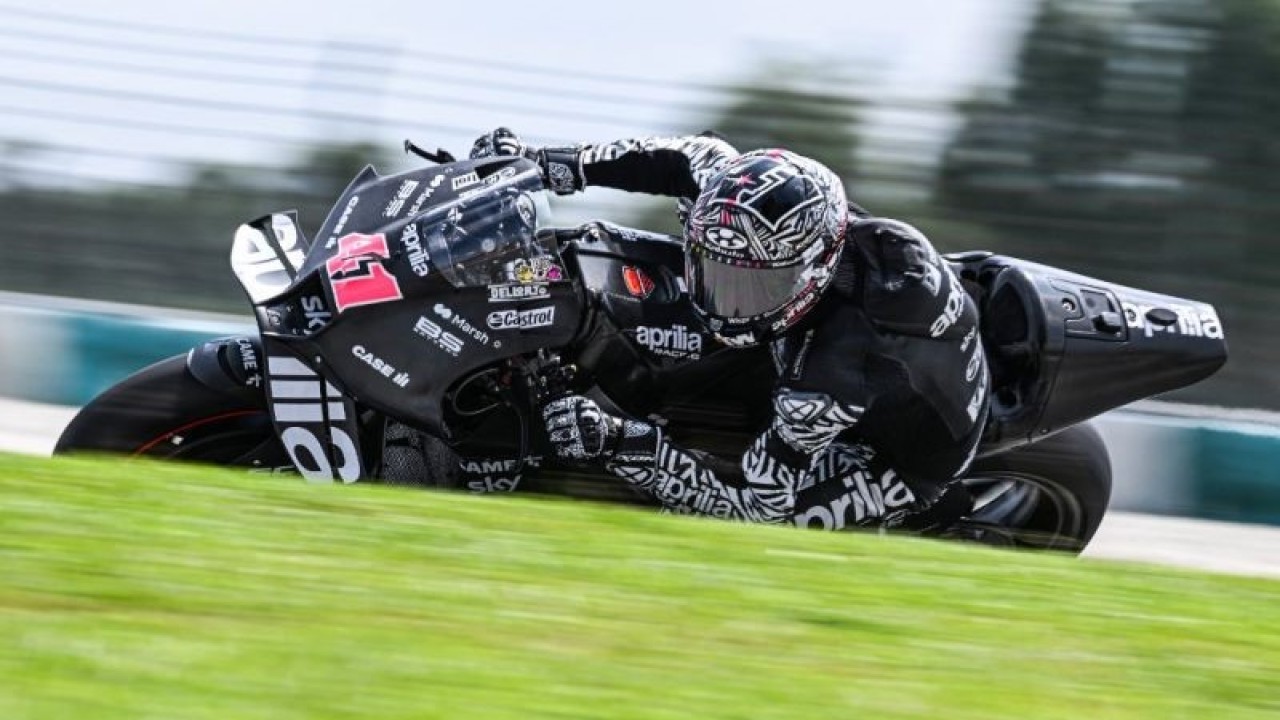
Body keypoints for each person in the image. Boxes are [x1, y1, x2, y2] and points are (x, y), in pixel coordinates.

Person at [470, 128, 989, 530]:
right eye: (717, 273)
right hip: (831, 342)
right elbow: (686, 154)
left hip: (905, 457)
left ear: (813, 271)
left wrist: (618, 441)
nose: (724, 303)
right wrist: (541, 163)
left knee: (747, 528)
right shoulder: (748, 203)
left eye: (750, 287)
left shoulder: (832, 371)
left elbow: (755, 506)